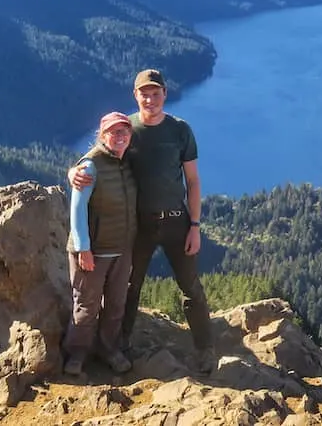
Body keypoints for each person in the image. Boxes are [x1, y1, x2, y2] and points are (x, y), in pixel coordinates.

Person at [68, 68, 216, 374]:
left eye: (155, 93)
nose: (150, 99)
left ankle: (205, 348)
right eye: (144, 93)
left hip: (177, 221)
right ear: (135, 96)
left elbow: (193, 181)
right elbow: (99, 157)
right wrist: (73, 172)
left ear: (165, 93)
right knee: (130, 287)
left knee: (190, 287)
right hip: (140, 226)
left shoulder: (180, 130)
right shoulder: (128, 128)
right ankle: (118, 345)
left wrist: (195, 226)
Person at [61, 111, 138, 376]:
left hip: (122, 249)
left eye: (124, 131)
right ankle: (77, 354)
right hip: (93, 251)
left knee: (116, 305)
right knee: (86, 306)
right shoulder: (90, 165)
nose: (120, 136)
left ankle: (108, 349)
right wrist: (84, 248)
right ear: (102, 135)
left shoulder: (127, 162)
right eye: (113, 132)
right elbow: (77, 209)